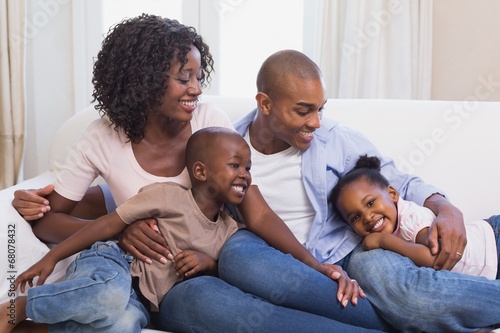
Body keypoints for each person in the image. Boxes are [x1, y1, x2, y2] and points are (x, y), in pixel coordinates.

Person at [12, 48, 500, 331]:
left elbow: (400, 181)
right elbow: (147, 195)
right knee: (239, 255)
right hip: (260, 259)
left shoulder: (335, 140)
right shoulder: (224, 143)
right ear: (265, 104)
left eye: (319, 109)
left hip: (349, 254)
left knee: (401, 287)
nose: (316, 122)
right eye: (302, 111)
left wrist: (444, 207)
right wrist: (45, 199)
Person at [2, 127, 249, 333]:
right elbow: (109, 223)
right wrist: (52, 258)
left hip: (144, 299)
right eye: (235, 166)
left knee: (124, 324)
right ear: (200, 171)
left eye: (248, 168)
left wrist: (208, 263)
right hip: (115, 260)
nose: (245, 175)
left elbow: (223, 273)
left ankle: (36, 329)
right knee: (109, 294)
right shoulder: (166, 195)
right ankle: (20, 307)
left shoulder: (229, 230)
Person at [331, 154, 500, 280]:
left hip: (493, 244)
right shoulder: (392, 228)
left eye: (370, 203)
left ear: (392, 194)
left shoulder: (411, 219)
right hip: (488, 268)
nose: (367, 217)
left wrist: (383, 241)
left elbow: (433, 258)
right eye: (355, 218)